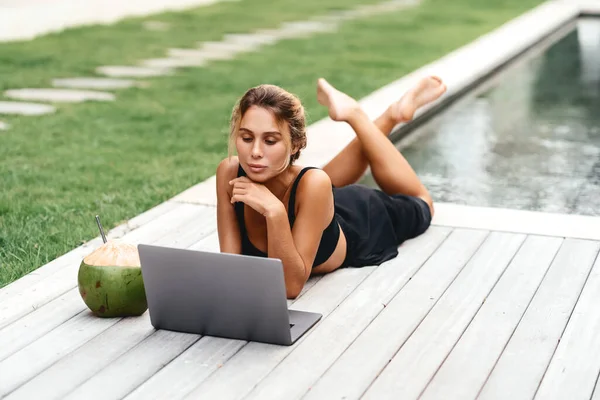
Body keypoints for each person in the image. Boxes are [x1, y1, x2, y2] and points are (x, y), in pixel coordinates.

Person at [216, 76, 446, 298]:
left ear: (295, 144)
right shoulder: (229, 172)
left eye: (270, 141)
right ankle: (384, 115)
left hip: (362, 219)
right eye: (246, 138)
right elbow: (229, 269)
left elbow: (289, 286)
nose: (255, 152)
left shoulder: (313, 185)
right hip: (316, 203)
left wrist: (274, 212)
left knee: (422, 201)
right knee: (317, 181)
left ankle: (364, 115)